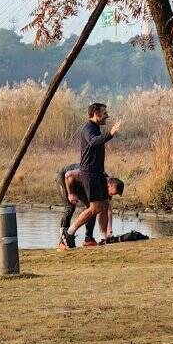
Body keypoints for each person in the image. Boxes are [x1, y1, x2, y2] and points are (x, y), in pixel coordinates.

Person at [60, 102, 122, 250]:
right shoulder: (88, 128)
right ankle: (69, 233)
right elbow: (93, 142)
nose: (107, 116)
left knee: (105, 204)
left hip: (98, 173)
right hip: (89, 173)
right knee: (94, 207)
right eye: (104, 113)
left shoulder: (96, 128)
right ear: (95, 113)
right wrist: (110, 134)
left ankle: (104, 238)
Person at [56, 163, 125, 249]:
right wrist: (71, 193)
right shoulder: (96, 178)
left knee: (93, 208)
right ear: (109, 185)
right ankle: (63, 240)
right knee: (70, 208)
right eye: (111, 193)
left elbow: (107, 207)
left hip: (81, 184)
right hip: (66, 178)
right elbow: (68, 175)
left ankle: (88, 239)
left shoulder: (104, 185)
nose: (110, 196)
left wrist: (109, 230)